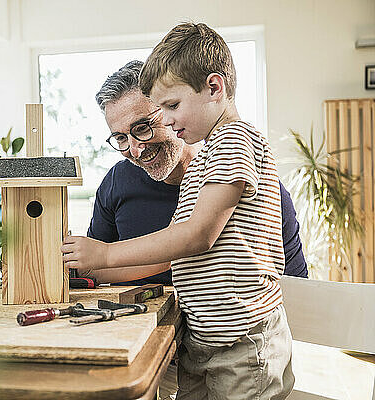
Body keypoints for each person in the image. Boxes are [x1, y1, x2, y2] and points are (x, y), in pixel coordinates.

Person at [62, 23, 294, 399]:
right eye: (120, 137)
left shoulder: (234, 141)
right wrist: (81, 264)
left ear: (215, 89)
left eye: (169, 107)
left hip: (241, 340)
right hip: (203, 338)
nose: (167, 118)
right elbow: (168, 251)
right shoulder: (204, 164)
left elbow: (196, 236)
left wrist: (104, 251)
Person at [87, 60, 307, 285]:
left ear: (170, 110)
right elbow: (94, 272)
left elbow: (296, 287)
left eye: (143, 128)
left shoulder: (251, 179)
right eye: (121, 138)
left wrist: (106, 254)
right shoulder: (115, 184)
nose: (135, 150)